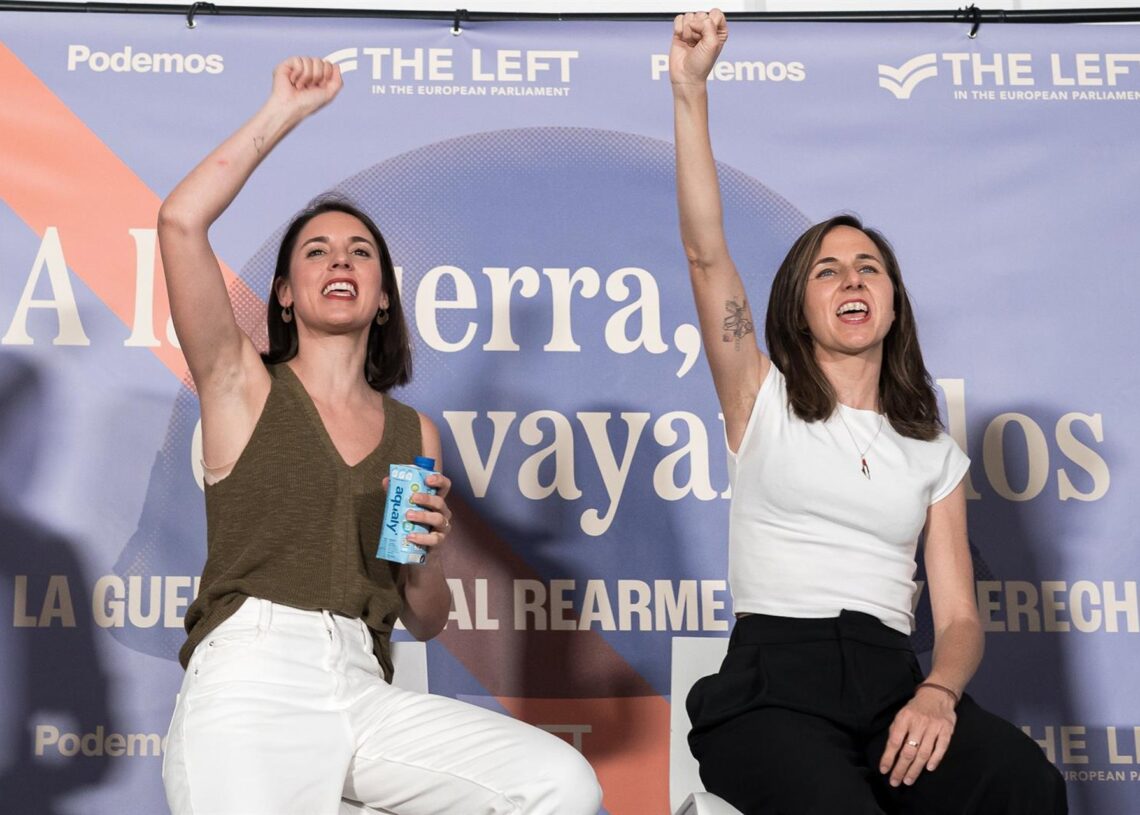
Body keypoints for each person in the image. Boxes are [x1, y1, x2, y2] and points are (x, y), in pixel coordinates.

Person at [157, 56, 601, 815]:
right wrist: (284, 112)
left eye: (360, 252)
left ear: (385, 298)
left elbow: (422, 615)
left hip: (366, 682)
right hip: (253, 679)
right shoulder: (241, 384)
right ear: (286, 295)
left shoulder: (412, 430)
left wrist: (428, 557)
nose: (340, 260)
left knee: (558, 781)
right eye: (317, 252)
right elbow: (179, 222)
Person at [670, 11, 1066, 815]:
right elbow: (706, 251)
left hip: (892, 686)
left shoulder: (934, 451)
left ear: (892, 298)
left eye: (868, 267)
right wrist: (689, 90)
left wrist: (939, 694)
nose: (851, 279)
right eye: (828, 270)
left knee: (1029, 786)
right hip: (774, 686)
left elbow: (956, 618)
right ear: (797, 303)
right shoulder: (759, 393)